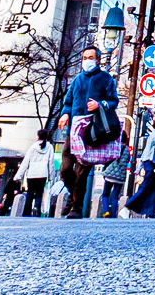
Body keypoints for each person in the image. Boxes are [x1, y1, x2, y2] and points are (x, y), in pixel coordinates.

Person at [59, 46, 120, 218]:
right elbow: (68, 100)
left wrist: (99, 104)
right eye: (85, 57)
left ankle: (76, 208)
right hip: (74, 130)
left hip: (92, 131)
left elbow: (114, 101)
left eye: (90, 57)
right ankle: (72, 197)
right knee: (65, 169)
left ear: (98, 60)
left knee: (81, 171)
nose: (87, 60)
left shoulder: (106, 79)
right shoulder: (77, 79)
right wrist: (65, 113)